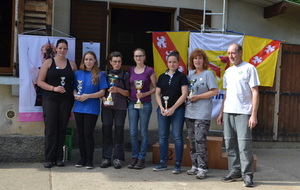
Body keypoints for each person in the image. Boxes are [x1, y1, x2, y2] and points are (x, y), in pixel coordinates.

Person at [217, 43, 260, 187]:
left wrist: (253, 115)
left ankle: (247, 174)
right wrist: (221, 112)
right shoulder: (228, 71)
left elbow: (255, 92)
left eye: (233, 53)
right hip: (229, 111)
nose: (231, 56)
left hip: (243, 112)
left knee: (244, 145)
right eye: (229, 53)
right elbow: (227, 93)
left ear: (240, 53)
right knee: (230, 143)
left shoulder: (249, 68)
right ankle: (234, 171)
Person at [37, 39, 77, 168]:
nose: (62, 51)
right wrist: (54, 88)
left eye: (65, 48)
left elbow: (76, 83)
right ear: (56, 49)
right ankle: (49, 158)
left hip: (66, 100)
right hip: (50, 99)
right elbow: (40, 82)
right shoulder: (48, 63)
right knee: (50, 128)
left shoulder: (72, 65)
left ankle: (59, 158)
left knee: (62, 128)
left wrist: (76, 93)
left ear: (67, 50)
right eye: (60, 48)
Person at [153, 50, 188, 174]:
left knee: (177, 137)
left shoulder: (182, 76)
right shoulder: (162, 77)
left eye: (174, 62)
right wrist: (161, 107)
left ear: (178, 63)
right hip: (163, 111)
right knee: (163, 137)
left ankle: (177, 164)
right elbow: (157, 93)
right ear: (167, 63)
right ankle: (163, 162)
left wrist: (173, 108)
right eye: (169, 62)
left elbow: (184, 94)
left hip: (177, 110)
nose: (172, 64)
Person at [185, 49, 218, 179]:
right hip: (189, 112)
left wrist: (198, 97)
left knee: (200, 140)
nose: (197, 61)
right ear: (192, 61)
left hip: (202, 113)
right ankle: (195, 165)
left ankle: (203, 168)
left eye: (200, 58)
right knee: (192, 141)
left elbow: (214, 91)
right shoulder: (190, 76)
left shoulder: (208, 74)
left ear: (204, 61)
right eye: (195, 59)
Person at [73, 51, 108, 169]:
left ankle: (89, 160)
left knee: (88, 133)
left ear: (95, 61)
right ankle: (82, 158)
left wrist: (87, 96)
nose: (88, 62)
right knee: (80, 134)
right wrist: (75, 95)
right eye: (86, 59)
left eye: (90, 59)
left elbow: (102, 92)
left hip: (91, 108)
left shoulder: (99, 74)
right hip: (78, 107)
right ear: (83, 61)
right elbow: (73, 89)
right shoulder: (77, 73)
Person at [100, 51, 130, 169]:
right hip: (107, 107)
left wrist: (118, 90)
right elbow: (102, 91)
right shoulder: (105, 74)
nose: (117, 64)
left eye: (119, 61)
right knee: (106, 131)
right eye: (115, 61)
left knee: (119, 132)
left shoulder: (125, 75)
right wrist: (103, 98)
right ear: (110, 62)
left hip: (121, 108)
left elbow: (128, 93)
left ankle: (117, 158)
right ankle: (106, 158)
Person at [127, 48, 156, 169]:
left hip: (145, 104)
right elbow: (128, 86)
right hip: (132, 103)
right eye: (136, 56)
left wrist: (144, 94)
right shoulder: (130, 70)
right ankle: (134, 156)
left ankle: (141, 158)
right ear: (133, 58)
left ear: (144, 57)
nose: (138, 58)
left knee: (143, 132)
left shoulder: (149, 70)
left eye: (140, 56)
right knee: (133, 132)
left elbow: (156, 88)